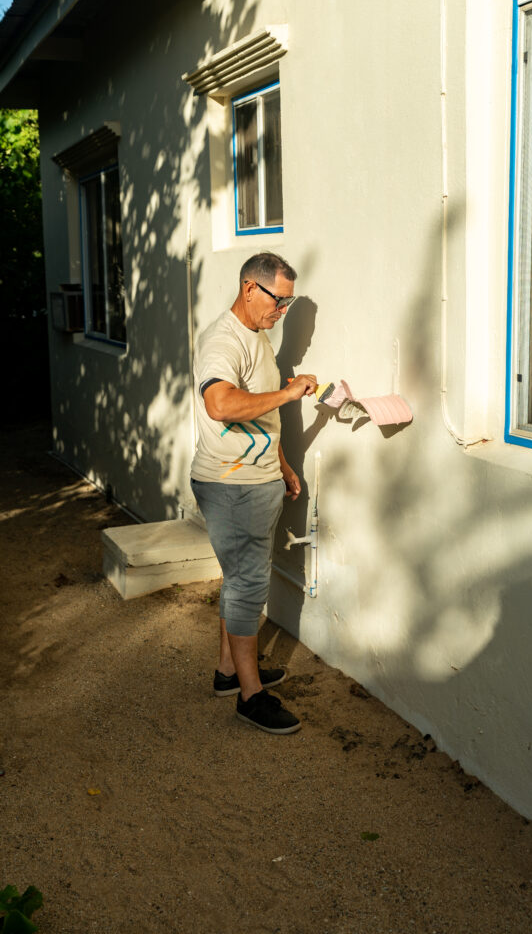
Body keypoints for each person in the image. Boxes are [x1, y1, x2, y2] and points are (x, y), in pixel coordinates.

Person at [190, 252, 317, 735]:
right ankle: (250, 696)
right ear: (249, 289)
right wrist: (288, 393)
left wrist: (282, 466)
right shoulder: (223, 341)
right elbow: (221, 404)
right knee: (247, 586)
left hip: (257, 478)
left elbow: (261, 414)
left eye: (289, 304)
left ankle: (229, 672)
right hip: (233, 486)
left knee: (238, 580)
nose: (282, 311)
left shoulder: (258, 336)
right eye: (278, 300)